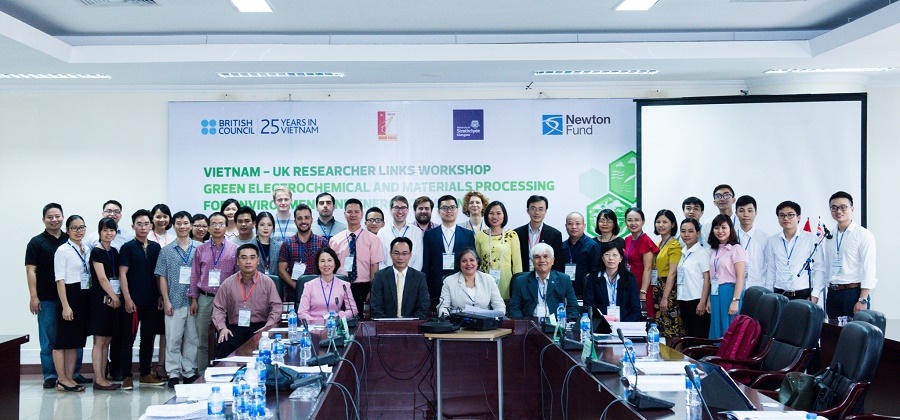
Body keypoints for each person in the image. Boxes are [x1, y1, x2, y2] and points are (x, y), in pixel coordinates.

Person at [25, 203, 88, 388]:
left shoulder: (72, 239)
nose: (54, 220)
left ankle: (73, 373)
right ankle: (51, 375)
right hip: (48, 297)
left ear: (63, 218)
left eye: (57, 216)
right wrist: (34, 296)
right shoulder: (36, 242)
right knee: (50, 338)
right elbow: (31, 271)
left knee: (74, 336)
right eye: (50, 217)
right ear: (43, 219)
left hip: (72, 297)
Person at [118, 209, 165, 388]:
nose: (143, 227)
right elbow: (123, 274)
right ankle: (126, 376)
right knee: (128, 338)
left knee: (148, 338)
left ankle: (145, 373)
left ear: (151, 226)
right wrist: (127, 299)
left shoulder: (155, 248)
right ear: (133, 226)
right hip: (133, 302)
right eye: (139, 224)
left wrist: (160, 295)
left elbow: (159, 274)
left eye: (146, 224)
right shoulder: (127, 247)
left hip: (151, 300)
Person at [155, 211, 201, 388]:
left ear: (191, 225)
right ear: (173, 226)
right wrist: (166, 300)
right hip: (174, 301)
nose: (182, 226)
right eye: (179, 223)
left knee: (192, 339)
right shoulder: (166, 251)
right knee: (173, 339)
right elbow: (162, 277)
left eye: (185, 223)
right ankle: (173, 373)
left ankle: (189, 371)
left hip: (194, 302)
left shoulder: (200, 248)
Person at [188, 212, 238, 375]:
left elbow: (238, 276)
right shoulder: (200, 250)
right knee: (203, 339)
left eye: (221, 224)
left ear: (226, 227)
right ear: (208, 228)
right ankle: (203, 373)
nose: (217, 227)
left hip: (227, 300)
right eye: (213, 224)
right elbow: (195, 275)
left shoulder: (234, 249)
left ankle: (226, 371)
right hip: (205, 298)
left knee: (227, 337)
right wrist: (194, 298)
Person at [212, 244, 283, 358]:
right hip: (235, 328)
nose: (248, 262)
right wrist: (222, 328)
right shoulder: (228, 283)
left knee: (261, 343)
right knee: (225, 342)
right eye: (244, 258)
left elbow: (277, 307)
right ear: (237, 261)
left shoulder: (267, 282)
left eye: (252, 258)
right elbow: (218, 308)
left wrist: (268, 326)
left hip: (260, 326)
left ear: (258, 261)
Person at [820, 191, 877, 318]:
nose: (838, 211)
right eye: (834, 208)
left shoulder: (863, 235)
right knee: (833, 330)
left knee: (854, 330)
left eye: (843, 207)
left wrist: (863, 299)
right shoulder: (830, 236)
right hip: (833, 294)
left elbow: (869, 268)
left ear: (852, 209)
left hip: (853, 293)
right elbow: (827, 266)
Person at [53, 215, 92, 392]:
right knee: (62, 340)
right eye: (74, 228)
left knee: (75, 341)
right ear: (67, 230)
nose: (79, 231)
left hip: (83, 296)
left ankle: (69, 378)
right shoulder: (62, 250)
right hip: (68, 296)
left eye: (81, 227)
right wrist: (66, 306)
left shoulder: (86, 248)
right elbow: (59, 280)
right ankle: (61, 379)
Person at [329, 198, 384, 313]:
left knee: (363, 319)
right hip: (340, 286)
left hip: (363, 287)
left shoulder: (373, 239)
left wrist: (372, 290)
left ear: (362, 214)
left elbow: (374, 266)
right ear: (344, 214)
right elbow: (331, 267)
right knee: (341, 319)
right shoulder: (335, 240)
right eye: (349, 212)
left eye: (356, 212)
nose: (353, 215)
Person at [88, 217, 123, 391]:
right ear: (99, 232)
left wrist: (116, 296)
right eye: (105, 230)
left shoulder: (114, 251)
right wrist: (114, 297)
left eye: (112, 230)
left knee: (107, 339)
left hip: (112, 299)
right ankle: (98, 378)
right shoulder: (96, 251)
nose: (109, 233)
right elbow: (102, 278)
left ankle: (103, 377)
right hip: (101, 299)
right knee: (100, 339)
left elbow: (116, 276)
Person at [765, 201, 824, 302]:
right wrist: (769, 293)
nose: (786, 218)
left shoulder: (811, 239)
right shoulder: (772, 240)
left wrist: (815, 294)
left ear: (799, 217)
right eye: (782, 215)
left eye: (790, 215)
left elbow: (819, 268)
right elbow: (771, 269)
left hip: (803, 294)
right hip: (779, 293)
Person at [422, 195, 476, 300]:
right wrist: (426, 289)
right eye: (444, 208)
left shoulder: (467, 235)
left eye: (452, 207)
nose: (449, 211)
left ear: (457, 210)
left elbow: (472, 263)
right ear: (438, 211)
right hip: (436, 286)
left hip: (462, 284)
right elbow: (427, 264)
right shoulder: (429, 235)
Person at [508, 243, 578, 319]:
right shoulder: (521, 281)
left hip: (556, 324)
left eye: (545, 256)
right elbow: (514, 308)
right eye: (537, 257)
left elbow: (573, 307)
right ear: (532, 261)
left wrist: (566, 323)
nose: (542, 260)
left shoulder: (564, 280)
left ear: (552, 260)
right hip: (530, 323)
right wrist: (522, 324)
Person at [278, 204, 329, 303]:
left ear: (312, 220)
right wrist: (297, 286)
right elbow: (281, 270)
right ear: (295, 221)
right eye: (299, 218)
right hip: (294, 293)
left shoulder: (322, 242)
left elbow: (328, 267)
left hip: (319, 292)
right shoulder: (287, 243)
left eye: (307, 218)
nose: (303, 221)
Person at [707, 214, 746, 339]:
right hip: (715, 293)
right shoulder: (714, 250)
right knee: (716, 328)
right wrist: (709, 299)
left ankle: (727, 353)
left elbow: (741, 276)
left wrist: (735, 301)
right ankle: (716, 351)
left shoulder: (736, 249)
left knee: (728, 329)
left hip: (729, 293)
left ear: (730, 229)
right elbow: (712, 276)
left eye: (724, 227)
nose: (720, 231)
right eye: (716, 228)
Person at [371, 237, 431, 318]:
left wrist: (409, 322)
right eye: (396, 253)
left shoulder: (419, 277)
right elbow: (376, 306)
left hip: (413, 323)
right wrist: (386, 323)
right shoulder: (380, 276)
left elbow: (424, 306)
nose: (400, 258)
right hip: (385, 323)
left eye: (404, 254)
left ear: (410, 255)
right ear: (390, 254)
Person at [474, 201, 522, 299]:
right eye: (491, 213)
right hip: (485, 281)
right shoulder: (480, 235)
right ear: (486, 215)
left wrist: (519, 286)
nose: (495, 216)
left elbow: (517, 265)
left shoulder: (512, 235)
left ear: (504, 215)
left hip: (507, 282)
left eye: (498, 213)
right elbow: (476, 263)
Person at [583, 242, 642, 322]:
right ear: (602, 258)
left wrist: (622, 325)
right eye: (607, 255)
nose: (611, 258)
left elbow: (635, 310)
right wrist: (603, 322)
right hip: (601, 323)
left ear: (621, 258)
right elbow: (589, 307)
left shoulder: (629, 278)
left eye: (615, 255)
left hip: (625, 323)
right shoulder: (593, 279)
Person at [438, 248, 506, 316]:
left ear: (477, 262)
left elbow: (499, 305)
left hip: (484, 320)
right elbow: (443, 307)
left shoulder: (488, 279)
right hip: (458, 321)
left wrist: (497, 318)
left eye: (472, 260)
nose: (468, 264)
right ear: (459, 264)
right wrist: (445, 319)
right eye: (464, 261)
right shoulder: (449, 281)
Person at [297, 247, 357, 324]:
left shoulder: (344, 285)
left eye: (329, 260)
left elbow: (353, 310)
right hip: (314, 326)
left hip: (335, 325)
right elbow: (302, 312)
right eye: (322, 261)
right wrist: (316, 323)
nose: (326, 264)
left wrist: (339, 317)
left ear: (335, 263)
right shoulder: (309, 285)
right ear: (318, 264)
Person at [147, 203, 173, 378]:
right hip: (149, 289)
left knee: (165, 331)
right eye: (158, 216)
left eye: (165, 216)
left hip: (169, 291)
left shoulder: (173, 238)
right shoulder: (146, 237)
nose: (161, 219)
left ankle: (162, 365)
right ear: (152, 218)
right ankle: (147, 366)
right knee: (149, 331)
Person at [652, 210, 685, 337]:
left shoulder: (674, 245)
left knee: (672, 329)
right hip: (657, 287)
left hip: (668, 289)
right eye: (658, 222)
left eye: (665, 222)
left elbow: (672, 272)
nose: (661, 225)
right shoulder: (657, 245)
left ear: (672, 224)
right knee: (663, 330)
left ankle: (675, 351)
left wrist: (665, 297)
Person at [677, 218, 711, 338]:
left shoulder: (702, 253)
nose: (686, 234)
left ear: (698, 233)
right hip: (683, 299)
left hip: (696, 300)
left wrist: (702, 302)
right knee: (688, 336)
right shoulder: (683, 253)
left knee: (698, 336)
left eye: (690, 231)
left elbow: (707, 279)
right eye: (683, 231)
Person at [623, 207, 659, 319]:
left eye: (637, 220)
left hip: (642, 284)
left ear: (643, 222)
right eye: (629, 220)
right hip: (630, 283)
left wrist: (643, 292)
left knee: (643, 318)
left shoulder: (645, 240)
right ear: (625, 222)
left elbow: (648, 269)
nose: (633, 223)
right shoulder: (627, 239)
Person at [513, 195, 565, 272]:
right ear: (527, 211)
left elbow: (558, 263)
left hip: (545, 276)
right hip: (523, 276)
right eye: (533, 208)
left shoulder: (555, 234)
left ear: (545, 211)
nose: (537, 212)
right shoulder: (517, 233)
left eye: (541, 209)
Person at [377, 195, 424, 271]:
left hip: (411, 276)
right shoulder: (382, 232)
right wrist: (389, 276)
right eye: (396, 208)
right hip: (387, 276)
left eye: (403, 208)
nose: (400, 211)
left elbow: (419, 260)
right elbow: (380, 261)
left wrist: (410, 275)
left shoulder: (416, 232)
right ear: (390, 210)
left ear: (408, 210)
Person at [560, 212, 600, 299]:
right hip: (564, 292)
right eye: (570, 224)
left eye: (578, 223)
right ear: (566, 226)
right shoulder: (562, 246)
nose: (574, 227)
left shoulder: (592, 246)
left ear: (584, 226)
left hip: (584, 293)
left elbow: (595, 272)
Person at [735, 195, 769, 290]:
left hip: (758, 287)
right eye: (742, 211)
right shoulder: (731, 237)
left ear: (756, 213)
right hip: (735, 287)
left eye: (750, 211)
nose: (746, 214)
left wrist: (769, 289)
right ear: (736, 213)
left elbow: (770, 266)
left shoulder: (765, 238)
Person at [254, 211, 282, 278]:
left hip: (275, 282)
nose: (266, 228)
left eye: (269, 225)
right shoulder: (249, 246)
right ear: (256, 226)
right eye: (262, 225)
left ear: (273, 227)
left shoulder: (279, 247)